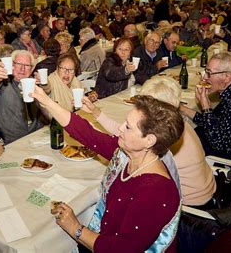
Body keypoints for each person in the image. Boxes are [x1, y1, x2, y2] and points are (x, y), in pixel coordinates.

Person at [31, 87, 183, 252]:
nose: (120, 128)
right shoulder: (127, 155)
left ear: (149, 140)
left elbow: (120, 249)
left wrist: (75, 228)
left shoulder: (157, 191)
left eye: (128, 127)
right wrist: (47, 101)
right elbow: (86, 133)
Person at [82, 76, 216, 207]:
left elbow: (125, 138)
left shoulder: (165, 138)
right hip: (210, 190)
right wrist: (96, 112)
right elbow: (124, 132)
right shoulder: (176, 125)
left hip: (190, 206)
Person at [0, 50, 44, 143]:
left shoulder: (32, 83)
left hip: (34, 137)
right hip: (8, 141)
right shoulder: (2, 81)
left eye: (27, 65)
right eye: (18, 64)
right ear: (11, 65)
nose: (22, 69)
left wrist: (44, 84)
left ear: (32, 69)